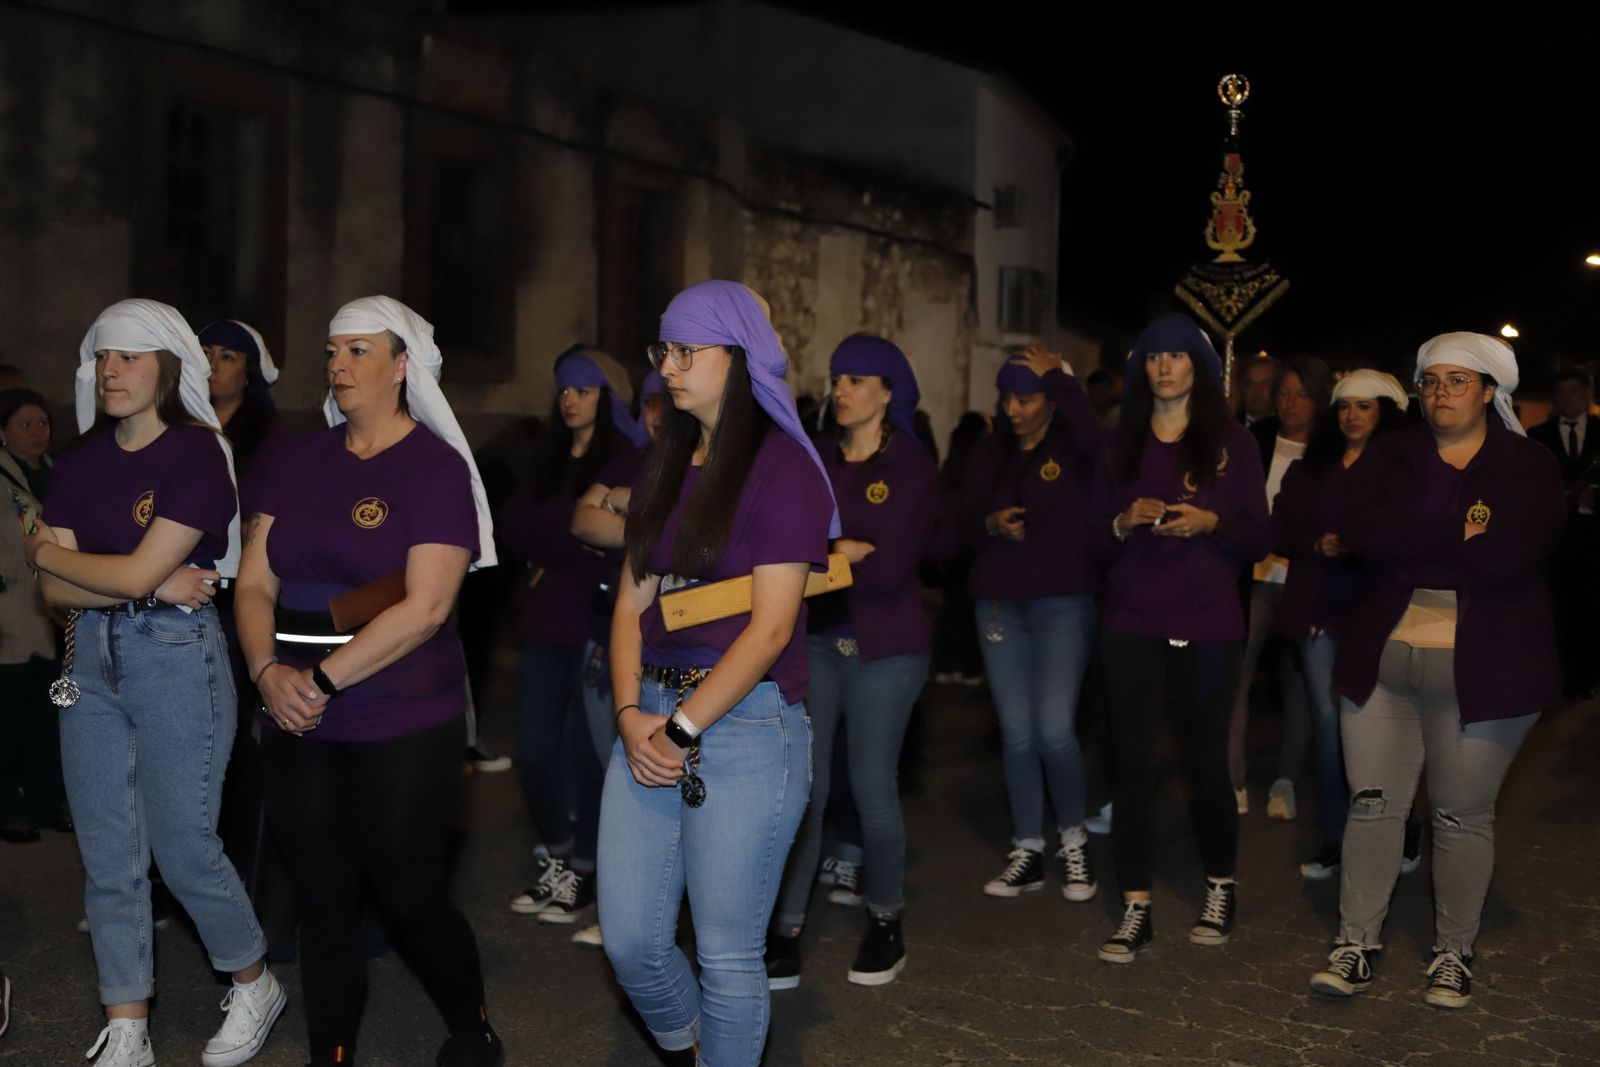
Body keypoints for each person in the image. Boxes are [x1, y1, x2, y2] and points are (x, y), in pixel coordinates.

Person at [234, 296, 505, 1065]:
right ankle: (333, 1053)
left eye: (358, 351)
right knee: (322, 898)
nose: (339, 365)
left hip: (400, 713)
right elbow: (253, 583)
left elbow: (428, 606)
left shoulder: (435, 467)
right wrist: (266, 672)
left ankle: (471, 1022)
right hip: (292, 709)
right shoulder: (294, 458)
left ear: (400, 366)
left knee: (408, 892)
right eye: (332, 352)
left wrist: (316, 679)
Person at [25, 299, 282, 1067]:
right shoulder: (77, 464)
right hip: (90, 665)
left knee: (183, 847)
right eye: (104, 357)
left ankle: (254, 978)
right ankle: (128, 1022)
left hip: (177, 659)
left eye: (131, 357)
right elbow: (58, 596)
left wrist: (49, 552)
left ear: (168, 367)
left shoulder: (197, 454)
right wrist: (146, 581)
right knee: (108, 855)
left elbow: (94, 567)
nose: (113, 370)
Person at [599, 280, 835, 1067]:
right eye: (662, 349)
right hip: (650, 716)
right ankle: (696, 1050)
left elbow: (771, 629)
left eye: (685, 349)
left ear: (736, 357)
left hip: (746, 726)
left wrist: (681, 725)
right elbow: (631, 603)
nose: (668, 364)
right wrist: (632, 713)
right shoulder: (665, 461)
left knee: (729, 953)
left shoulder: (782, 469)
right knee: (632, 940)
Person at [1310, 333, 1562, 1009]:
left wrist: (1415, 545)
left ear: (1489, 392)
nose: (1440, 393)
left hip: (1485, 672)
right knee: (1373, 806)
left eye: (1456, 381)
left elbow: (1511, 556)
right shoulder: (1392, 455)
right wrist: (1454, 540)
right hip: (1381, 664)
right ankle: (1355, 942)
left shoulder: (1527, 466)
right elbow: (1362, 531)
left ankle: (1453, 950)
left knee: (1460, 815)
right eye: (1430, 381)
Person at [1089, 313, 1270, 963]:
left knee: (1205, 761)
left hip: (1209, 620)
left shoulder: (1234, 444)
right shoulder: (1119, 443)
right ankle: (1135, 904)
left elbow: (1259, 537)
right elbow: (1088, 540)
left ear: (1199, 367)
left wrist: (1211, 520)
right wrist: (1119, 520)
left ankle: (1221, 885)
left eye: (1178, 356)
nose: (1165, 365)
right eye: (1155, 356)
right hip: (1132, 618)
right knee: (1132, 764)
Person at [767, 334, 939, 988]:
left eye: (857, 379)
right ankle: (785, 928)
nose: (841, 388)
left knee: (870, 784)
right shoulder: (815, 460)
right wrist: (846, 552)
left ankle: (886, 919)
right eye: (837, 376)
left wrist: (826, 557)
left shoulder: (912, 467)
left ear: (888, 392)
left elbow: (892, 568)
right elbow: (789, 547)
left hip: (887, 648)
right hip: (815, 641)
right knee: (804, 791)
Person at [500, 344, 644, 925]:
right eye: (564, 390)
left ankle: (583, 870)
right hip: (543, 621)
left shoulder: (630, 459)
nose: (570, 400)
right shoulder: (547, 455)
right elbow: (513, 528)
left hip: (596, 622)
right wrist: (579, 534)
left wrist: (567, 540)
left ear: (607, 399)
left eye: (583, 390)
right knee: (533, 752)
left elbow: (620, 543)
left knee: (585, 754)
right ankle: (559, 854)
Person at [960, 347, 1107, 900]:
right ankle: (1027, 847)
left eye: (1027, 397)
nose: (1013, 408)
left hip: (1063, 603)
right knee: (1018, 733)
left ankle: (1073, 840)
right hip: (998, 604)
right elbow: (958, 527)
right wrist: (990, 524)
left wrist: (1064, 380)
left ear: (1052, 401)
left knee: (1054, 730)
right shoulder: (987, 454)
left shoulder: (1076, 448)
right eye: (1007, 397)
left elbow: (1106, 448)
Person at [1272, 370, 1412, 880]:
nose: (1352, 415)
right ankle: (1335, 840)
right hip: (1320, 614)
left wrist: (1367, 541)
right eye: (1344, 406)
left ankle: (1399, 831)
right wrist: (1316, 543)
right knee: (1329, 730)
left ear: (1385, 413)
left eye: (1365, 406)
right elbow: (1278, 526)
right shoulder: (1311, 469)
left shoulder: (1404, 469)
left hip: (1381, 614)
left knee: (1384, 733)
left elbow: (1416, 534)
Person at [1229, 356, 1333, 818]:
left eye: (1302, 394)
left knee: (1299, 682)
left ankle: (1285, 783)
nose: (1291, 403)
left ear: (1320, 398)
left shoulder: (1331, 449)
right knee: (1238, 674)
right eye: (1284, 393)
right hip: (1253, 576)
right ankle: (1232, 780)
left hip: (1304, 578)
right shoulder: (1254, 438)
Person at [0, 387, 68, 844]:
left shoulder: (58, 474)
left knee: (52, 713)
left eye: (42, 423)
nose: (37, 433)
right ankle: (8, 806)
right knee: (8, 718)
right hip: (9, 613)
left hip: (55, 612)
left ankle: (45, 800)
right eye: (25, 424)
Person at [1527, 366, 1600, 696]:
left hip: (1594, 541)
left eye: (1575, 390)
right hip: (1553, 544)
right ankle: (1557, 678)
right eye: (1562, 392)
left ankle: (1589, 677)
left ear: (1587, 394)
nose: (1568, 398)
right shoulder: (1536, 436)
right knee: (1555, 611)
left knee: (1592, 609)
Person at [1237, 354, 1281, 428]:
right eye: (1250, 384)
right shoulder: (1229, 424)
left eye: (1266, 384)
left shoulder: (1286, 428)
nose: (1257, 392)